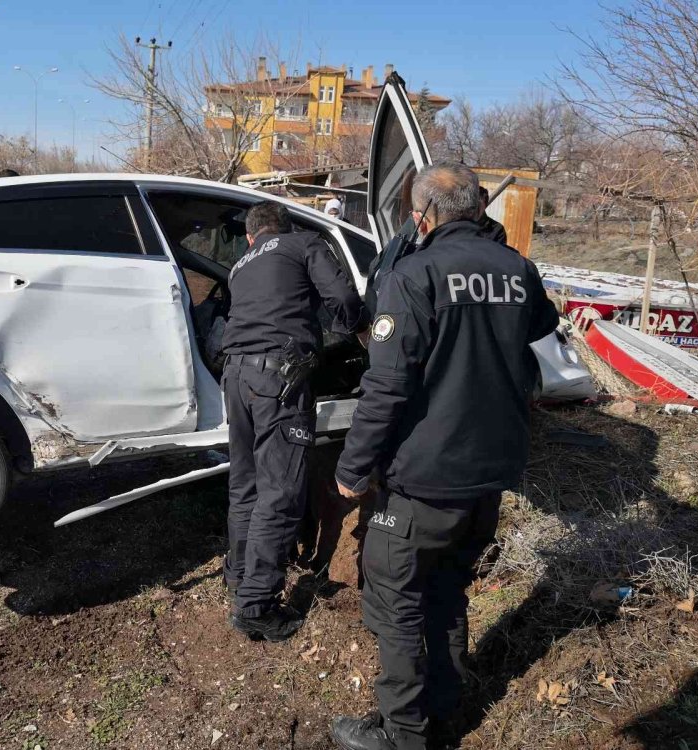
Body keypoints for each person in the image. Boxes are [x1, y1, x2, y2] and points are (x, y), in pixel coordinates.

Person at [329, 163, 559, 750]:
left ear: (420, 216)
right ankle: (446, 709)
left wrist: (353, 469)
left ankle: (406, 734)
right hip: (489, 474)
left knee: (395, 604)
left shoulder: (413, 274)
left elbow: (386, 388)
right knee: (448, 591)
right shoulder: (518, 268)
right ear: (478, 208)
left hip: (421, 481)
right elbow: (542, 325)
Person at [222, 200, 368, 642]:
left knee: (245, 484)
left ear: (251, 237)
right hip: (277, 380)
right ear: (282, 228)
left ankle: (239, 577)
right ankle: (256, 605)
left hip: (235, 376)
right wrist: (363, 329)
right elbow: (341, 297)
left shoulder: (238, 267)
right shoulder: (303, 243)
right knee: (280, 490)